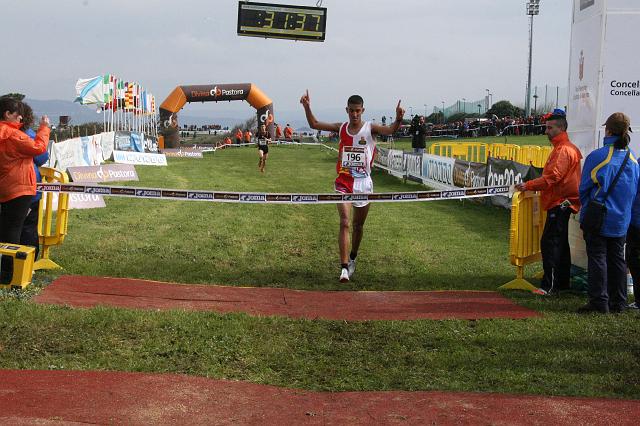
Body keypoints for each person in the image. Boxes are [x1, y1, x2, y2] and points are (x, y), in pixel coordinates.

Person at [300, 90, 404, 283]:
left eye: (357, 111)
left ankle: (353, 256)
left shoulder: (370, 128)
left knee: (358, 226)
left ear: (362, 110)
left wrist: (398, 119)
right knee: (345, 222)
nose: (354, 114)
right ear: (346, 110)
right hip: (344, 182)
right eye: (351, 111)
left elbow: (390, 130)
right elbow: (314, 124)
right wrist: (307, 107)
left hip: (364, 184)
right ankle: (344, 267)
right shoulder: (341, 128)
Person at [515, 109, 582, 296]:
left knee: (550, 243)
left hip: (560, 202)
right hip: (563, 201)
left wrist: (527, 185)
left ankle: (548, 286)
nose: (546, 131)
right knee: (559, 243)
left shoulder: (563, 150)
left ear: (561, 128)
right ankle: (560, 282)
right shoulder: (567, 148)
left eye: (549, 128)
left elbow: (551, 178)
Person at [578, 112, 639, 313]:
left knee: (597, 258)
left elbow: (584, 189)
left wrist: (587, 212)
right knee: (618, 261)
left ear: (609, 130)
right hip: (622, 220)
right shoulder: (633, 159)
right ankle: (619, 303)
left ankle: (599, 302)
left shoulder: (598, 156)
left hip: (599, 218)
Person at [0, 97, 50, 283]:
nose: (20, 117)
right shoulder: (14, 135)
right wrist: (44, 128)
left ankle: (6, 271)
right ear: (7, 114)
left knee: (7, 230)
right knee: (16, 232)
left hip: (6, 186)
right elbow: (39, 149)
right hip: (20, 188)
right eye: (16, 114)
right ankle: (10, 275)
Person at [18, 103, 49, 260]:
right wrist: (44, 129)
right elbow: (41, 156)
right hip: (26, 191)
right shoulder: (25, 135)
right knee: (27, 228)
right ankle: (26, 264)